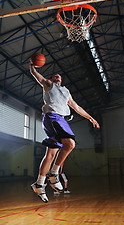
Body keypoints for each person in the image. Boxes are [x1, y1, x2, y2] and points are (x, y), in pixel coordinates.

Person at [29, 62, 100, 203]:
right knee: (70, 144)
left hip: (59, 119)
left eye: (59, 76)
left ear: (61, 80)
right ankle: (54, 174)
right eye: (55, 76)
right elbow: (39, 78)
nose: (57, 77)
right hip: (52, 117)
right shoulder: (49, 85)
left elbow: (77, 107)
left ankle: (39, 184)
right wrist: (32, 67)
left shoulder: (66, 92)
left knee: (50, 154)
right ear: (52, 79)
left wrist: (90, 117)